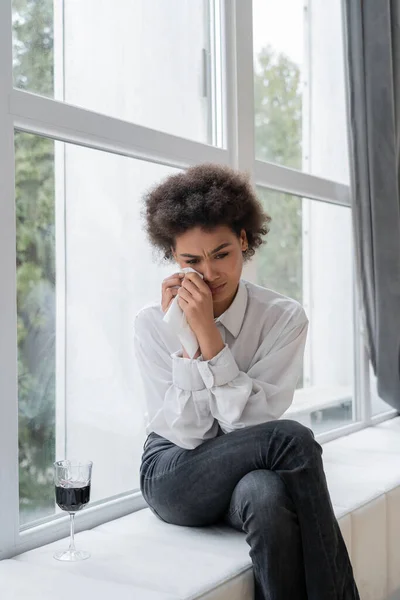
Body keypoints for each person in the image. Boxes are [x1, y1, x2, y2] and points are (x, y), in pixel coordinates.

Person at [134, 163, 360, 600]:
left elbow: (249, 427)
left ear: (243, 241)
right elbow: (187, 433)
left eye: (222, 254)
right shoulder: (150, 324)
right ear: (173, 259)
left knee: (266, 497)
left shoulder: (283, 318)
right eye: (191, 260)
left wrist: (210, 338)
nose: (210, 273)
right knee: (294, 439)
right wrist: (192, 338)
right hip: (174, 473)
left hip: (250, 469)